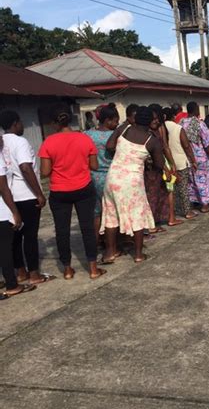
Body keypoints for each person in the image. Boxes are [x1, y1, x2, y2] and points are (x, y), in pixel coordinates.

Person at [38, 103, 106, 280]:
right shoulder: (84, 139)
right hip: (83, 188)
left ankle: (67, 270)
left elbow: (45, 172)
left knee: (62, 231)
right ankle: (93, 268)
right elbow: (94, 165)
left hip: (59, 191)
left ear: (54, 123)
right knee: (87, 228)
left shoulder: (48, 142)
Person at [101, 106, 164, 263]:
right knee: (137, 214)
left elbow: (109, 146)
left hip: (113, 177)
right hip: (132, 181)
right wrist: (146, 162)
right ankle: (138, 254)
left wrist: (123, 153)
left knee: (111, 215)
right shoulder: (152, 141)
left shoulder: (124, 129)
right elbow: (160, 164)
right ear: (150, 121)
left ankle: (110, 253)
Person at [0, 110, 50, 285]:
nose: (22, 125)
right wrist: (39, 194)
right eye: (21, 122)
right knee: (30, 236)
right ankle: (34, 274)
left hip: (11, 195)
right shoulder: (20, 142)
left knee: (15, 237)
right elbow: (26, 167)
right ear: (15, 123)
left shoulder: (2, 142)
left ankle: (20, 272)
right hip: (26, 194)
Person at [0, 137, 36, 298]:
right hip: (2, 209)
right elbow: (3, 188)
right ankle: (12, 284)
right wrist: (15, 212)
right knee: (5, 248)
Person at [85, 103, 120, 242]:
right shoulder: (115, 136)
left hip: (93, 177)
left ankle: (96, 241)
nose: (117, 124)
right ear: (108, 120)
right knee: (113, 211)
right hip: (111, 176)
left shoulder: (87, 135)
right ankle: (114, 242)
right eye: (116, 121)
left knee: (96, 212)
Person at [181, 102, 209, 213]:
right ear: (196, 110)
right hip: (201, 157)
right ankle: (205, 204)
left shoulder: (181, 123)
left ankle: (194, 202)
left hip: (187, 157)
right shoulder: (199, 124)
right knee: (204, 181)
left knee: (192, 181)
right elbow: (207, 143)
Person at [164, 106, 197, 219]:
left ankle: (174, 211)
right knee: (183, 188)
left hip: (167, 163)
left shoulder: (161, 128)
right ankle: (187, 211)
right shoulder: (178, 128)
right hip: (180, 161)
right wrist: (193, 160)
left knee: (171, 190)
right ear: (173, 116)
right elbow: (186, 145)